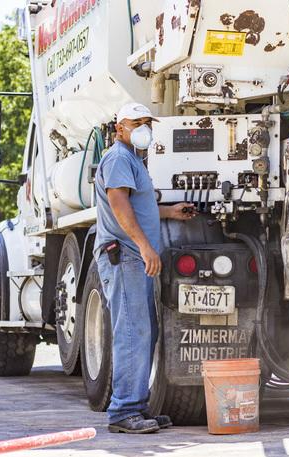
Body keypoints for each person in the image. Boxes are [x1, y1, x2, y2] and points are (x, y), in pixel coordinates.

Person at [94, 102, 195, 434]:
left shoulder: (132, 159)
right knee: (132, 333)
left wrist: (169, 212)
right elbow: (119, 204)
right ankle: (123, 411)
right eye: (137, 122)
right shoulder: (119, 158)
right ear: (120, 127)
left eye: (147, 123)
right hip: (124, 255)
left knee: (142, 332)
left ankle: (136, 405)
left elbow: (139, 204)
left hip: (132, 256)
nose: (144, 129)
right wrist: (144, 246)